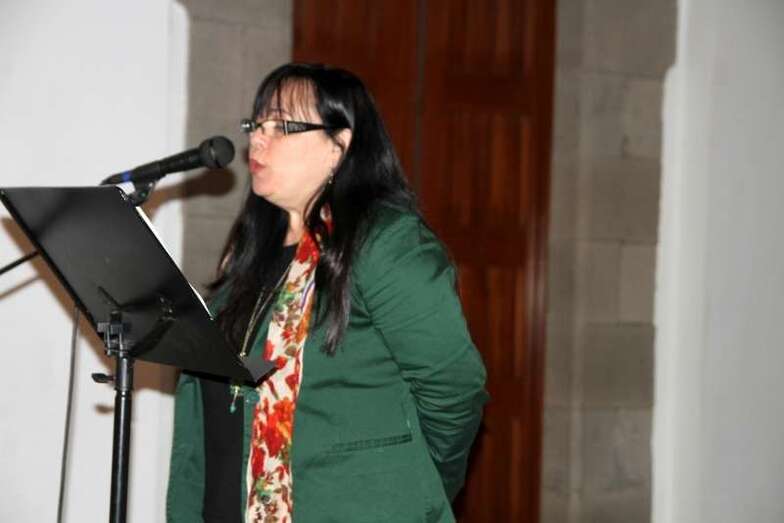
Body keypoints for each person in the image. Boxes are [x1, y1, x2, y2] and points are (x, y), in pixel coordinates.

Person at [166, 63, 487, 523]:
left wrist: (414, 478)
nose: (258, 140)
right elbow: (208, 400)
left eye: (282, 126)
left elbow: (454, 389)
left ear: (340, 145)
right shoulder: (247, 251)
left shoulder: (386, 243)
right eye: (257, 125)